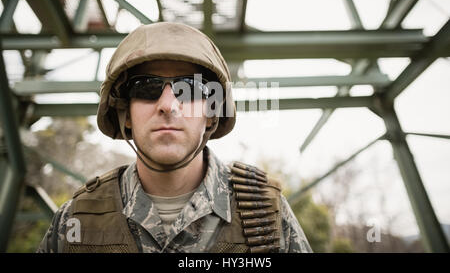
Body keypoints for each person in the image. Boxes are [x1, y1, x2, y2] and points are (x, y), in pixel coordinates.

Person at [37, 22, 312, 253]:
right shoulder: (75, 221)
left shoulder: (267, 213)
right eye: (146, 87)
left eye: (189, 88)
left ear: (211, 112)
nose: (168, 105)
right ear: (125, 113)